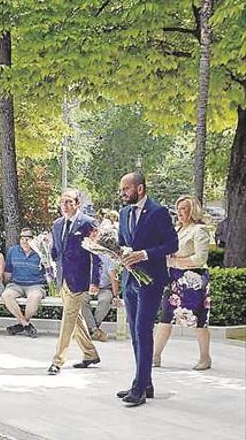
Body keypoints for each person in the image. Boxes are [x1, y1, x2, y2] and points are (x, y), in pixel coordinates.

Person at [115, 172, 178, 406]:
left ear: (140, 189)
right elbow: (123, 242)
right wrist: (120, 254)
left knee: (143, 331)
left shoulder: (159, 212)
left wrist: (143, 254)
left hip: (151, 280)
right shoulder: (123, 213)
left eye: (126, 188)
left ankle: (139, 389)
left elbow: (173, 244)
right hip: (130, 280)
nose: (123, 193)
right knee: (134, 332)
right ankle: (145, 383)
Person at [153, 195, 213, 370]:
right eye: (178, 209)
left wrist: (178, 262)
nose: (179, 212)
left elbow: (200, 258)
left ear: (192, 210)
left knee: (200, 321)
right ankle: (155, 356)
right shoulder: (177, 229)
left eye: (184, 209)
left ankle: (205, 358)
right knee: (165, 317)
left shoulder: (199, 229)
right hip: (174, 279)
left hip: (193, 280)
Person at [47, 189, 101, 375]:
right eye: (63, 202)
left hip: (79, 279)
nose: (66, 205)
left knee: (68, 319)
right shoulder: (57, 224)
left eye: (70, 202)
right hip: (62, 279)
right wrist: (46, 252)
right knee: (75, 318)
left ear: (77, 203)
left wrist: (95, 281)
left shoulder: (88, 223)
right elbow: (56, 252)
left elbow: (96, 254)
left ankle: (58, 361)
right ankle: (90, 353)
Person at [1, 228, 45, 338]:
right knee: (6, 295)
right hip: (16, 284)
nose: (24, 240)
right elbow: (8, 271)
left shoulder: (40, 252)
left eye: (27, 237)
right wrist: (5, 285)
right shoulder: (13, 251)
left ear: (33, 239)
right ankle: (26, 324)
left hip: (35, 285)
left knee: (35, 297)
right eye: (22, 237)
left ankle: (21, 325)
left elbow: (48, 271)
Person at [80, 252, 119, 342]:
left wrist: (116, 296)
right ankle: (95, 330)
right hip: (87, 287)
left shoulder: (109, 257)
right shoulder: (85, 255)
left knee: (105, 299)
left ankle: (92, 329)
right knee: (81, 299)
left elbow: (114, 278)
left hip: (104, 288)